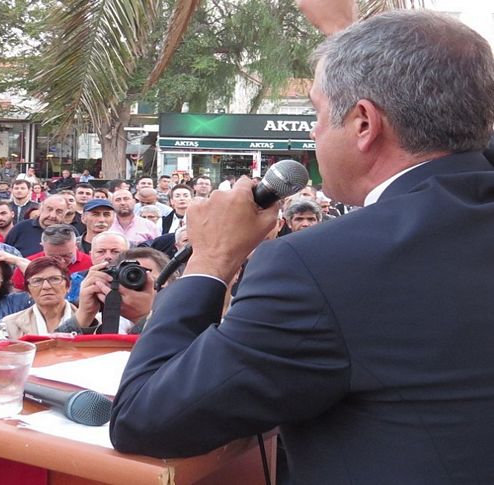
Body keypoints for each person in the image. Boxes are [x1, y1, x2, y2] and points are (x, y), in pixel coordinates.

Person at [110, 9, 494, 484]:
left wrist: (210, 260)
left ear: (363, 123)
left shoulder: (319, 266)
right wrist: (357, 42)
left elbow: (146, 420)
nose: (313, 131)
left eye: (316, 111)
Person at [0, 257, 77, 339]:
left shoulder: (87, 321)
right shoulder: (8, 325)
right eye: (37, 281)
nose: (46, 286)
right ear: (28, 291)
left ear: (68, 286)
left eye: (54, 279)